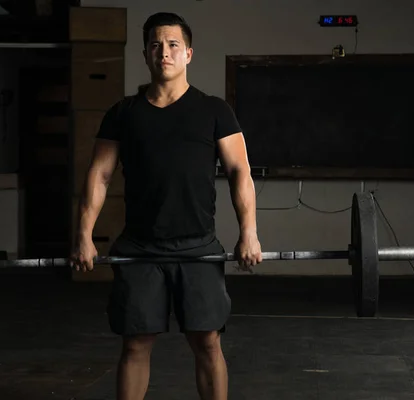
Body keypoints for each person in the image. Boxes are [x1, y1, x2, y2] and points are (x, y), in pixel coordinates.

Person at [70, 11, 262, 400]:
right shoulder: (123, 114)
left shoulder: (214, 110)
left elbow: (240, 172)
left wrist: (249, 234)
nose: (165, 52)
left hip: (198, 247)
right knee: (136, 344)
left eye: (173, 44)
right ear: (145, 54)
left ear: (188, 53)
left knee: (207, 343)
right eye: (156, 45)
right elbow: (99, 176)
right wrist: (84, 236)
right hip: (140, 248)